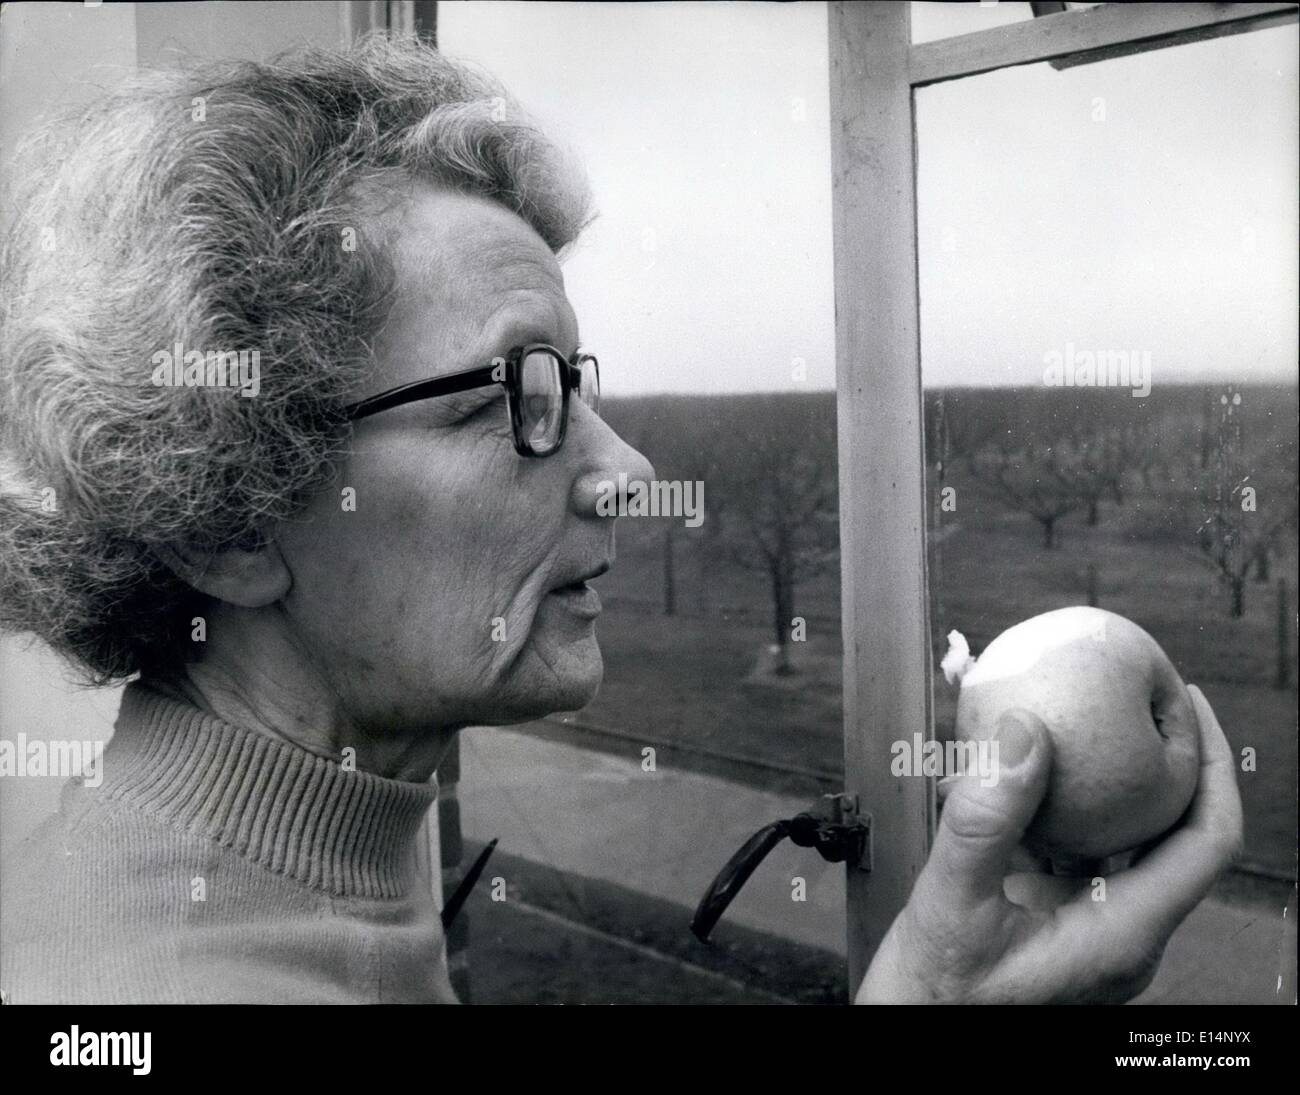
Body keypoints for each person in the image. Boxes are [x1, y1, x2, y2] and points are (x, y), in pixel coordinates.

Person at [0, 36, 1241, 1004]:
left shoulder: (313, 887)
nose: (626, 468)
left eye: (577, 387)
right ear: (228, 520)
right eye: (515, 397)